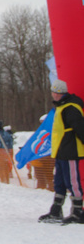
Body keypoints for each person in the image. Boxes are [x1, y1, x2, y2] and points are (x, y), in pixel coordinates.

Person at [38, 79, 84, 224]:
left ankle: (78, 212)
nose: (55, 95)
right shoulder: (61, 107)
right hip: (61, 151)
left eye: (58, 93)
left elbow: (80, 128)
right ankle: (56, 210)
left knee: (72, 182)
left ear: (62, 93)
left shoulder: (70, 108)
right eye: (54, 92)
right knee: (59, 182)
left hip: (70, 151)